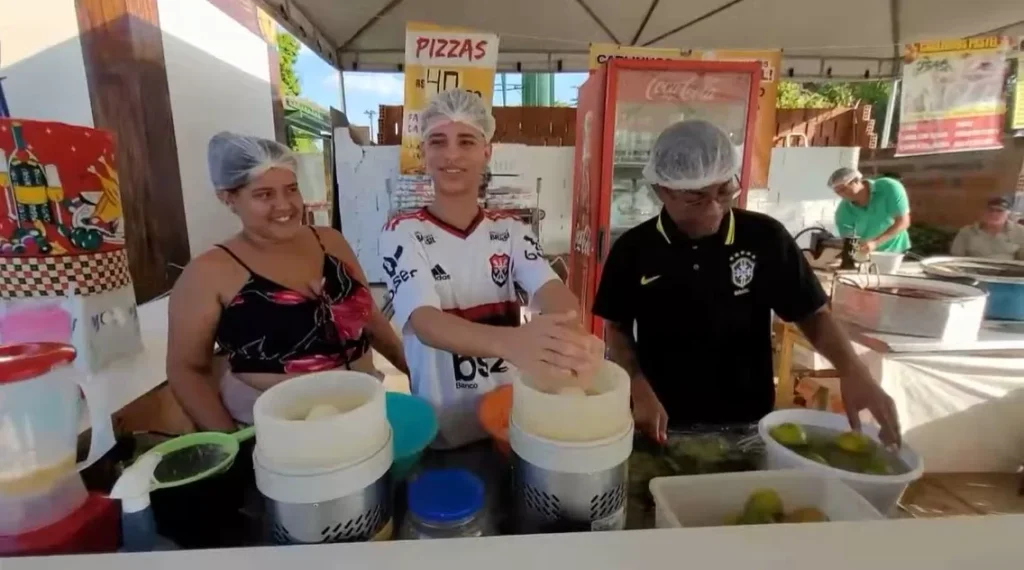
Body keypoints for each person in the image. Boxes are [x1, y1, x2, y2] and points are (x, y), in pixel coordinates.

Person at [593, 120, 901, 446]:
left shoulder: (765, 238)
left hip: (747, 418)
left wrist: (853, 370)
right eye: (696, 198)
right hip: (660, 417)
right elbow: (617, 326)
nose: (714, 208)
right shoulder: (634, 249)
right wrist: (636, 385)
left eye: (724, 191)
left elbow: (811, 312)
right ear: (661, 190)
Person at [380, 89, 602, 449]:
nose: (452, 155)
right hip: (442, 429)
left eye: (466, 141)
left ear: (487, 151)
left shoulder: (511, 229)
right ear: (423, 154)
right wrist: (513, 342)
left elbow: (550, 289)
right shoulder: (402, 232)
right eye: (438, 142)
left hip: (509, 418)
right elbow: (426, 323)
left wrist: (568, 331)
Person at [167, 132, 407, 430]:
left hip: (359, 408)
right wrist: (228, 442)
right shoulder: (208, 273)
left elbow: (369, 318)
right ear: (228, 198)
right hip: (269, 427)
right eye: (264, 194)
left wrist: (414, 372)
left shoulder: (330, 242)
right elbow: (186, 369)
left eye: (291, 189)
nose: (284, 205)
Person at [829, 167, 911, 254]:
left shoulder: (889, 187)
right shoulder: (842, 212)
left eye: (843, 189)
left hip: (897, 251)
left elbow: (903, 222)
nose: (841, 194)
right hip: (867, 255)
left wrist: (875, 243)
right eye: (837, 192)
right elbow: (849, 242)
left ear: (856, 181)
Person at [950, 196, 1024, 260]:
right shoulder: (966, 232)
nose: (994, 214)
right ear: (983, 212)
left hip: (1008, 271)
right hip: (974, 270)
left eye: (1000, 211)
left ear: (1007, 214)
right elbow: (956, 258)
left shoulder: (1020, 231)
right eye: (990, 210)